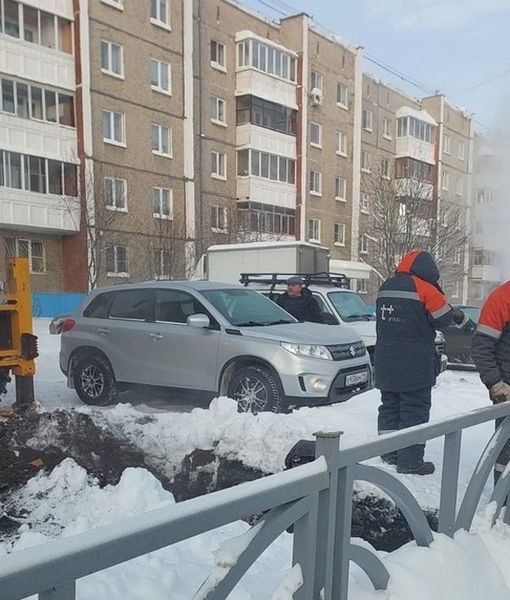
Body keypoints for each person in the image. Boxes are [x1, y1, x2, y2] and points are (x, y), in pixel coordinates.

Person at [375, 249, 466, 475]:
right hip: (414, 363)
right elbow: (444, 321)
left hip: (386, 360)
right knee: (414, 409)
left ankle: (388, 453)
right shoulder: (425, 288)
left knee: (389, 406)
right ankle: (410, 462)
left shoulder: (386, 285)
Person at [472, 281, 510, 483]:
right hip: (508, 393)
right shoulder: (503, 297)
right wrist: (497, 385)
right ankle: (502, 505)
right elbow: (481, 348)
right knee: (505, 453)